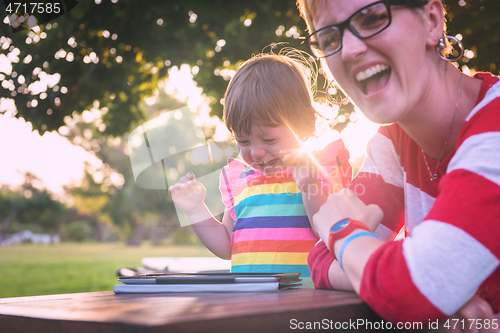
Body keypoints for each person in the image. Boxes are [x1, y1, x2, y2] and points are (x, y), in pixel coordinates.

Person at [297, 0, 500, 327]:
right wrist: (429, 285)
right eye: (329, 39)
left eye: (373, 17)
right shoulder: (392, 141)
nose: (348, 50)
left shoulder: (496, 126)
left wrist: (343, 232)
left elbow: (410, 289)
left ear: (432, 21)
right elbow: (320, 258)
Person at [168, 52, 352, 288]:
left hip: (305, 302)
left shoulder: (319, 171)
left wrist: (309, 187)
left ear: (303, 126)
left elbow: (326, 232)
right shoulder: (238, 180)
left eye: (269, 140)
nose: (255, 152)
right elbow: (226, 245)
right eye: (243, 142)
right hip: (249, 301)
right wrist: (195, 211)